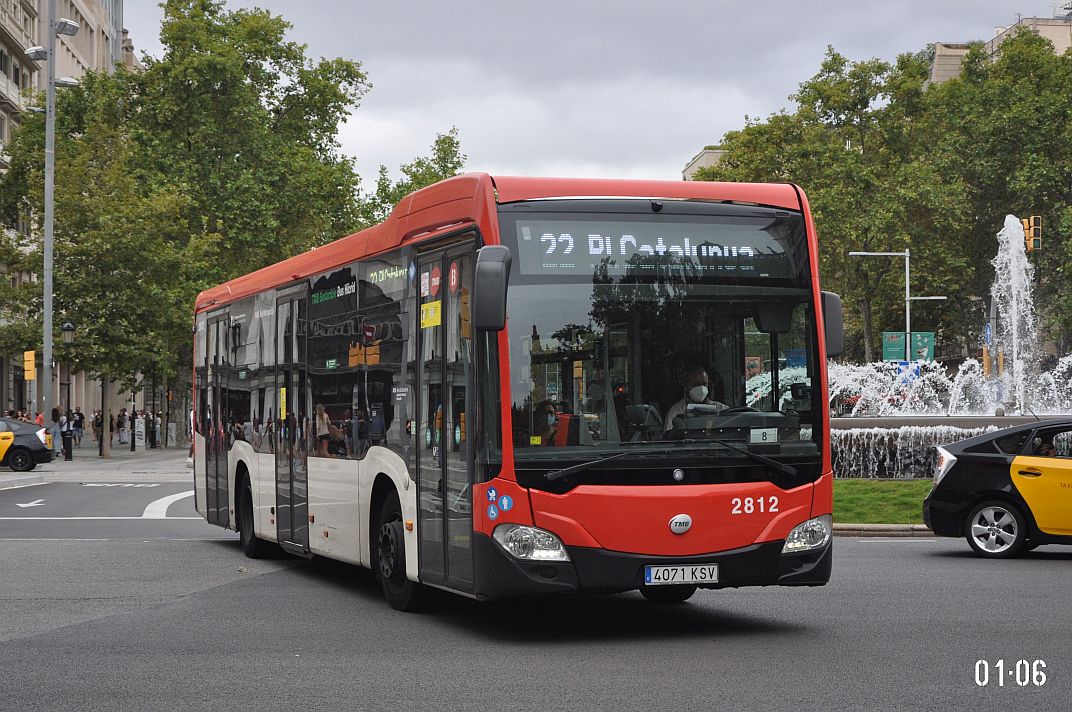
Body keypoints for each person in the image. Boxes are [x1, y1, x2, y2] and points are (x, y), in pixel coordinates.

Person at [664, 366, 727, 432]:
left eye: (704, 384)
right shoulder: (675, 412)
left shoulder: (721, 409)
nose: (701, 388)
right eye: (696, 384)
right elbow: (668, 437)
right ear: (685, 386)